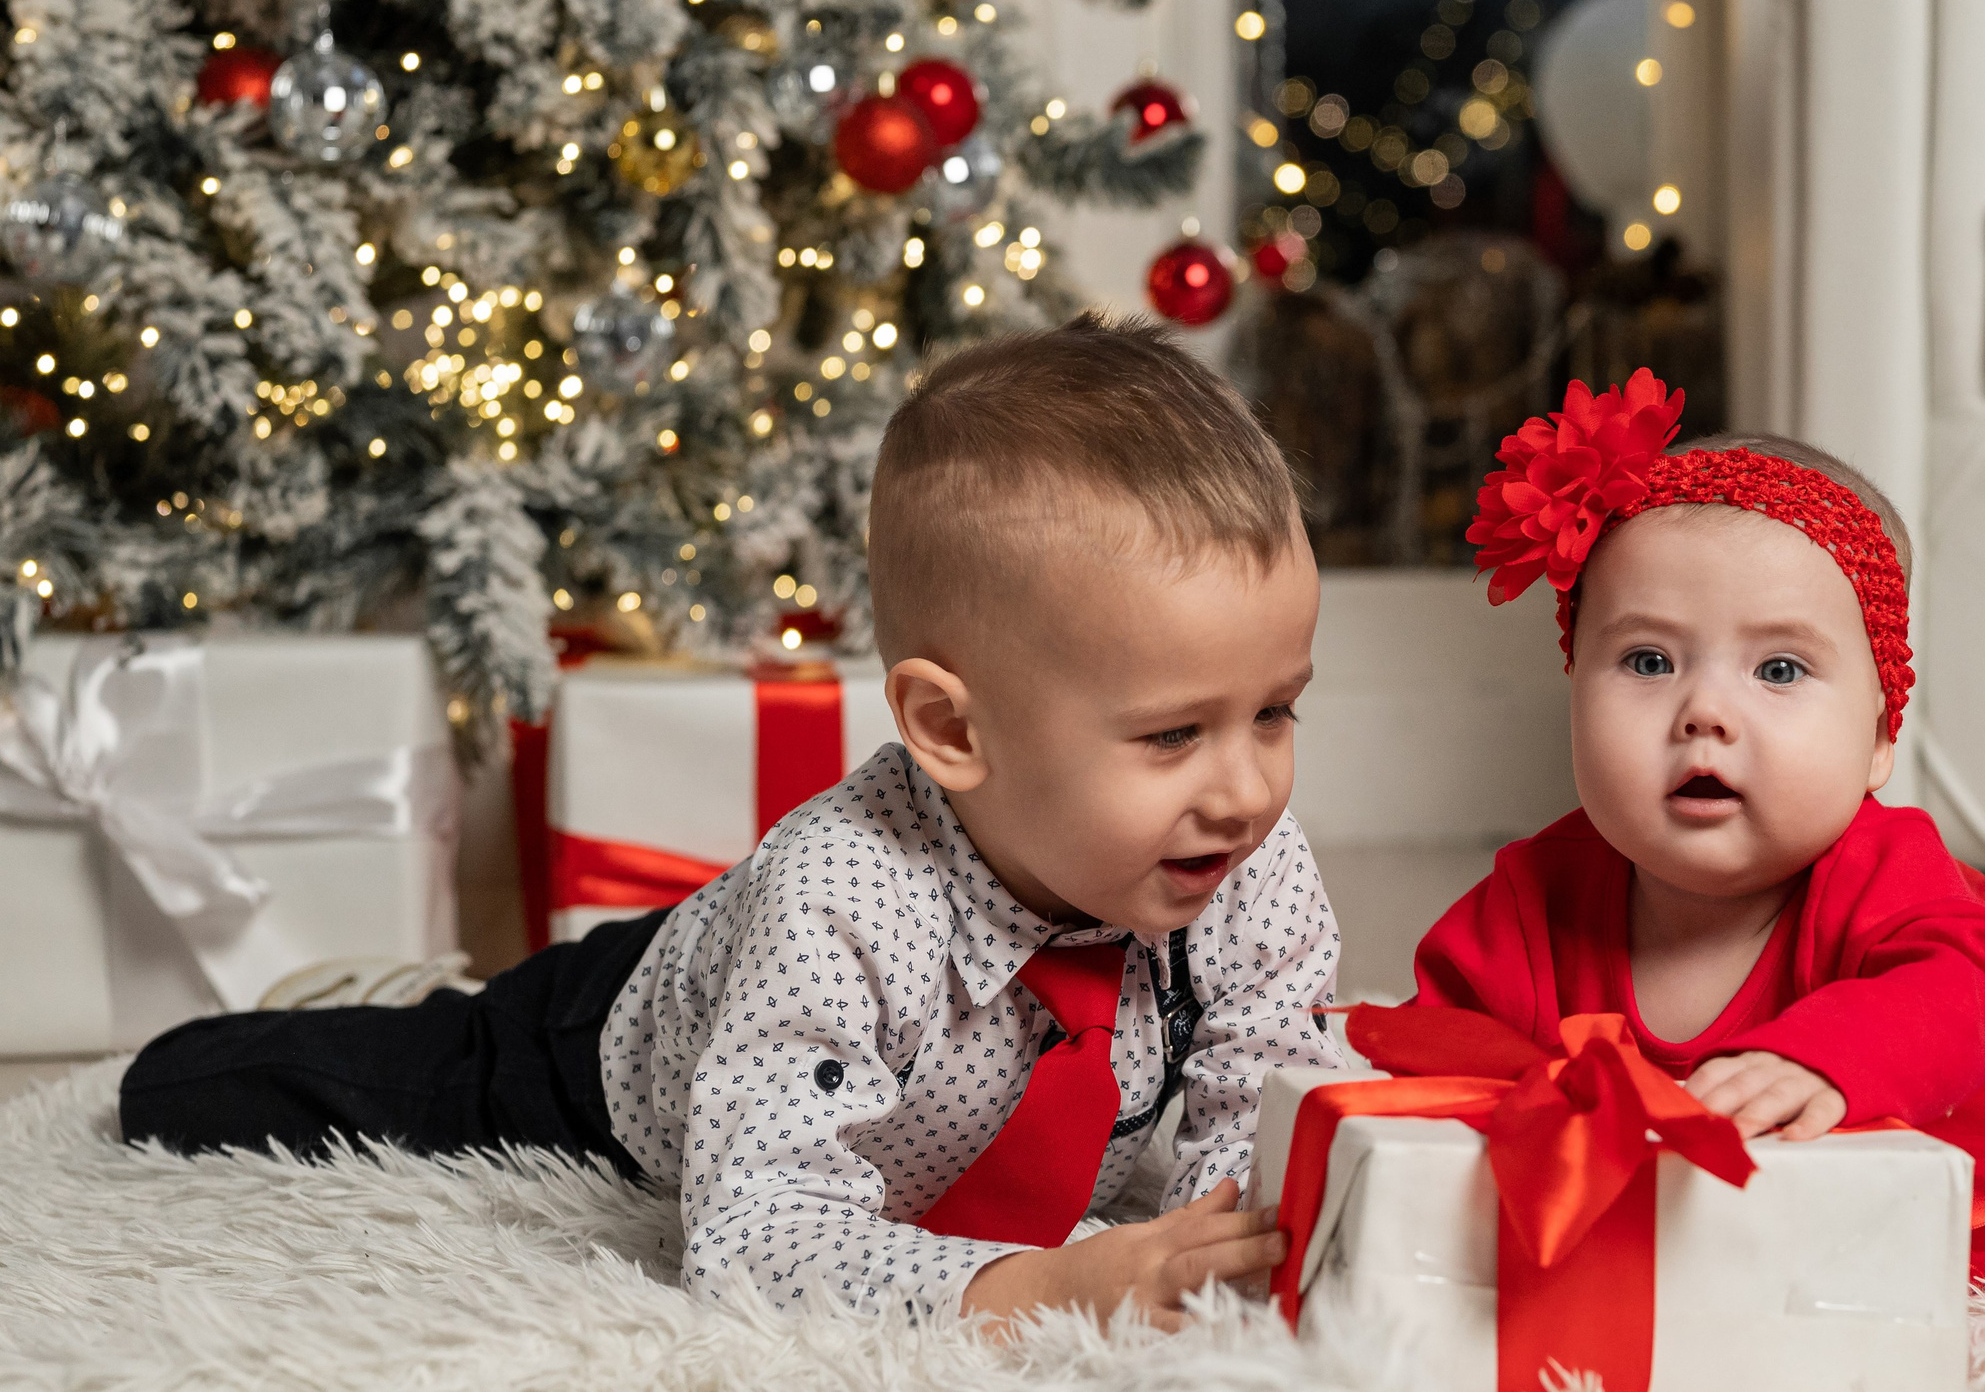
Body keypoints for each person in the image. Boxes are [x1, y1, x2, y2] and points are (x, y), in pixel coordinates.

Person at [120, 314, 1344, 1325]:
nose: (1243, 790)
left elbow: (1266, 1111)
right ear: (955, 729)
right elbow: (753, 1237)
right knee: (305, 1086)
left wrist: (1235, 1256)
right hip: (597, 1040)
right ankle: (240, 1044)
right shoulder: (847, 899)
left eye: (1275, 711)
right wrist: (1039, 1285)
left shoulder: (1245, 868)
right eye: (1173, 734)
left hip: (785, 982)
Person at [1412, 370, 1985, 1291]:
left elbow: (1962, 988)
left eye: (1778, 669)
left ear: (1880, 739)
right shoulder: (1537, 896)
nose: (1705, 712)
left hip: (1939, 1092)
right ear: (1573, 694)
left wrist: (1831, 1057)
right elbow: (1436, 1047)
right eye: (1648, 659)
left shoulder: (1882, 869)